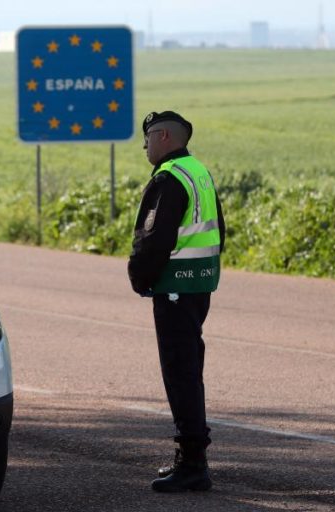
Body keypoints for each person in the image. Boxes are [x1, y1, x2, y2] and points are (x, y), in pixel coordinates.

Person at [128, 111, 225, 493]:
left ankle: (192, 463)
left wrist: (140, 278)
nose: (144, 147)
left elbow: (153, 239)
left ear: (164, 136)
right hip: (199, 285)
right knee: (189, 369)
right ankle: (193, 457)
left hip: (174, 288)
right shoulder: (197, 171)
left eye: (147, 139)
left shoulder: (168, 178)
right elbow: (220, 229)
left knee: (180, 372)